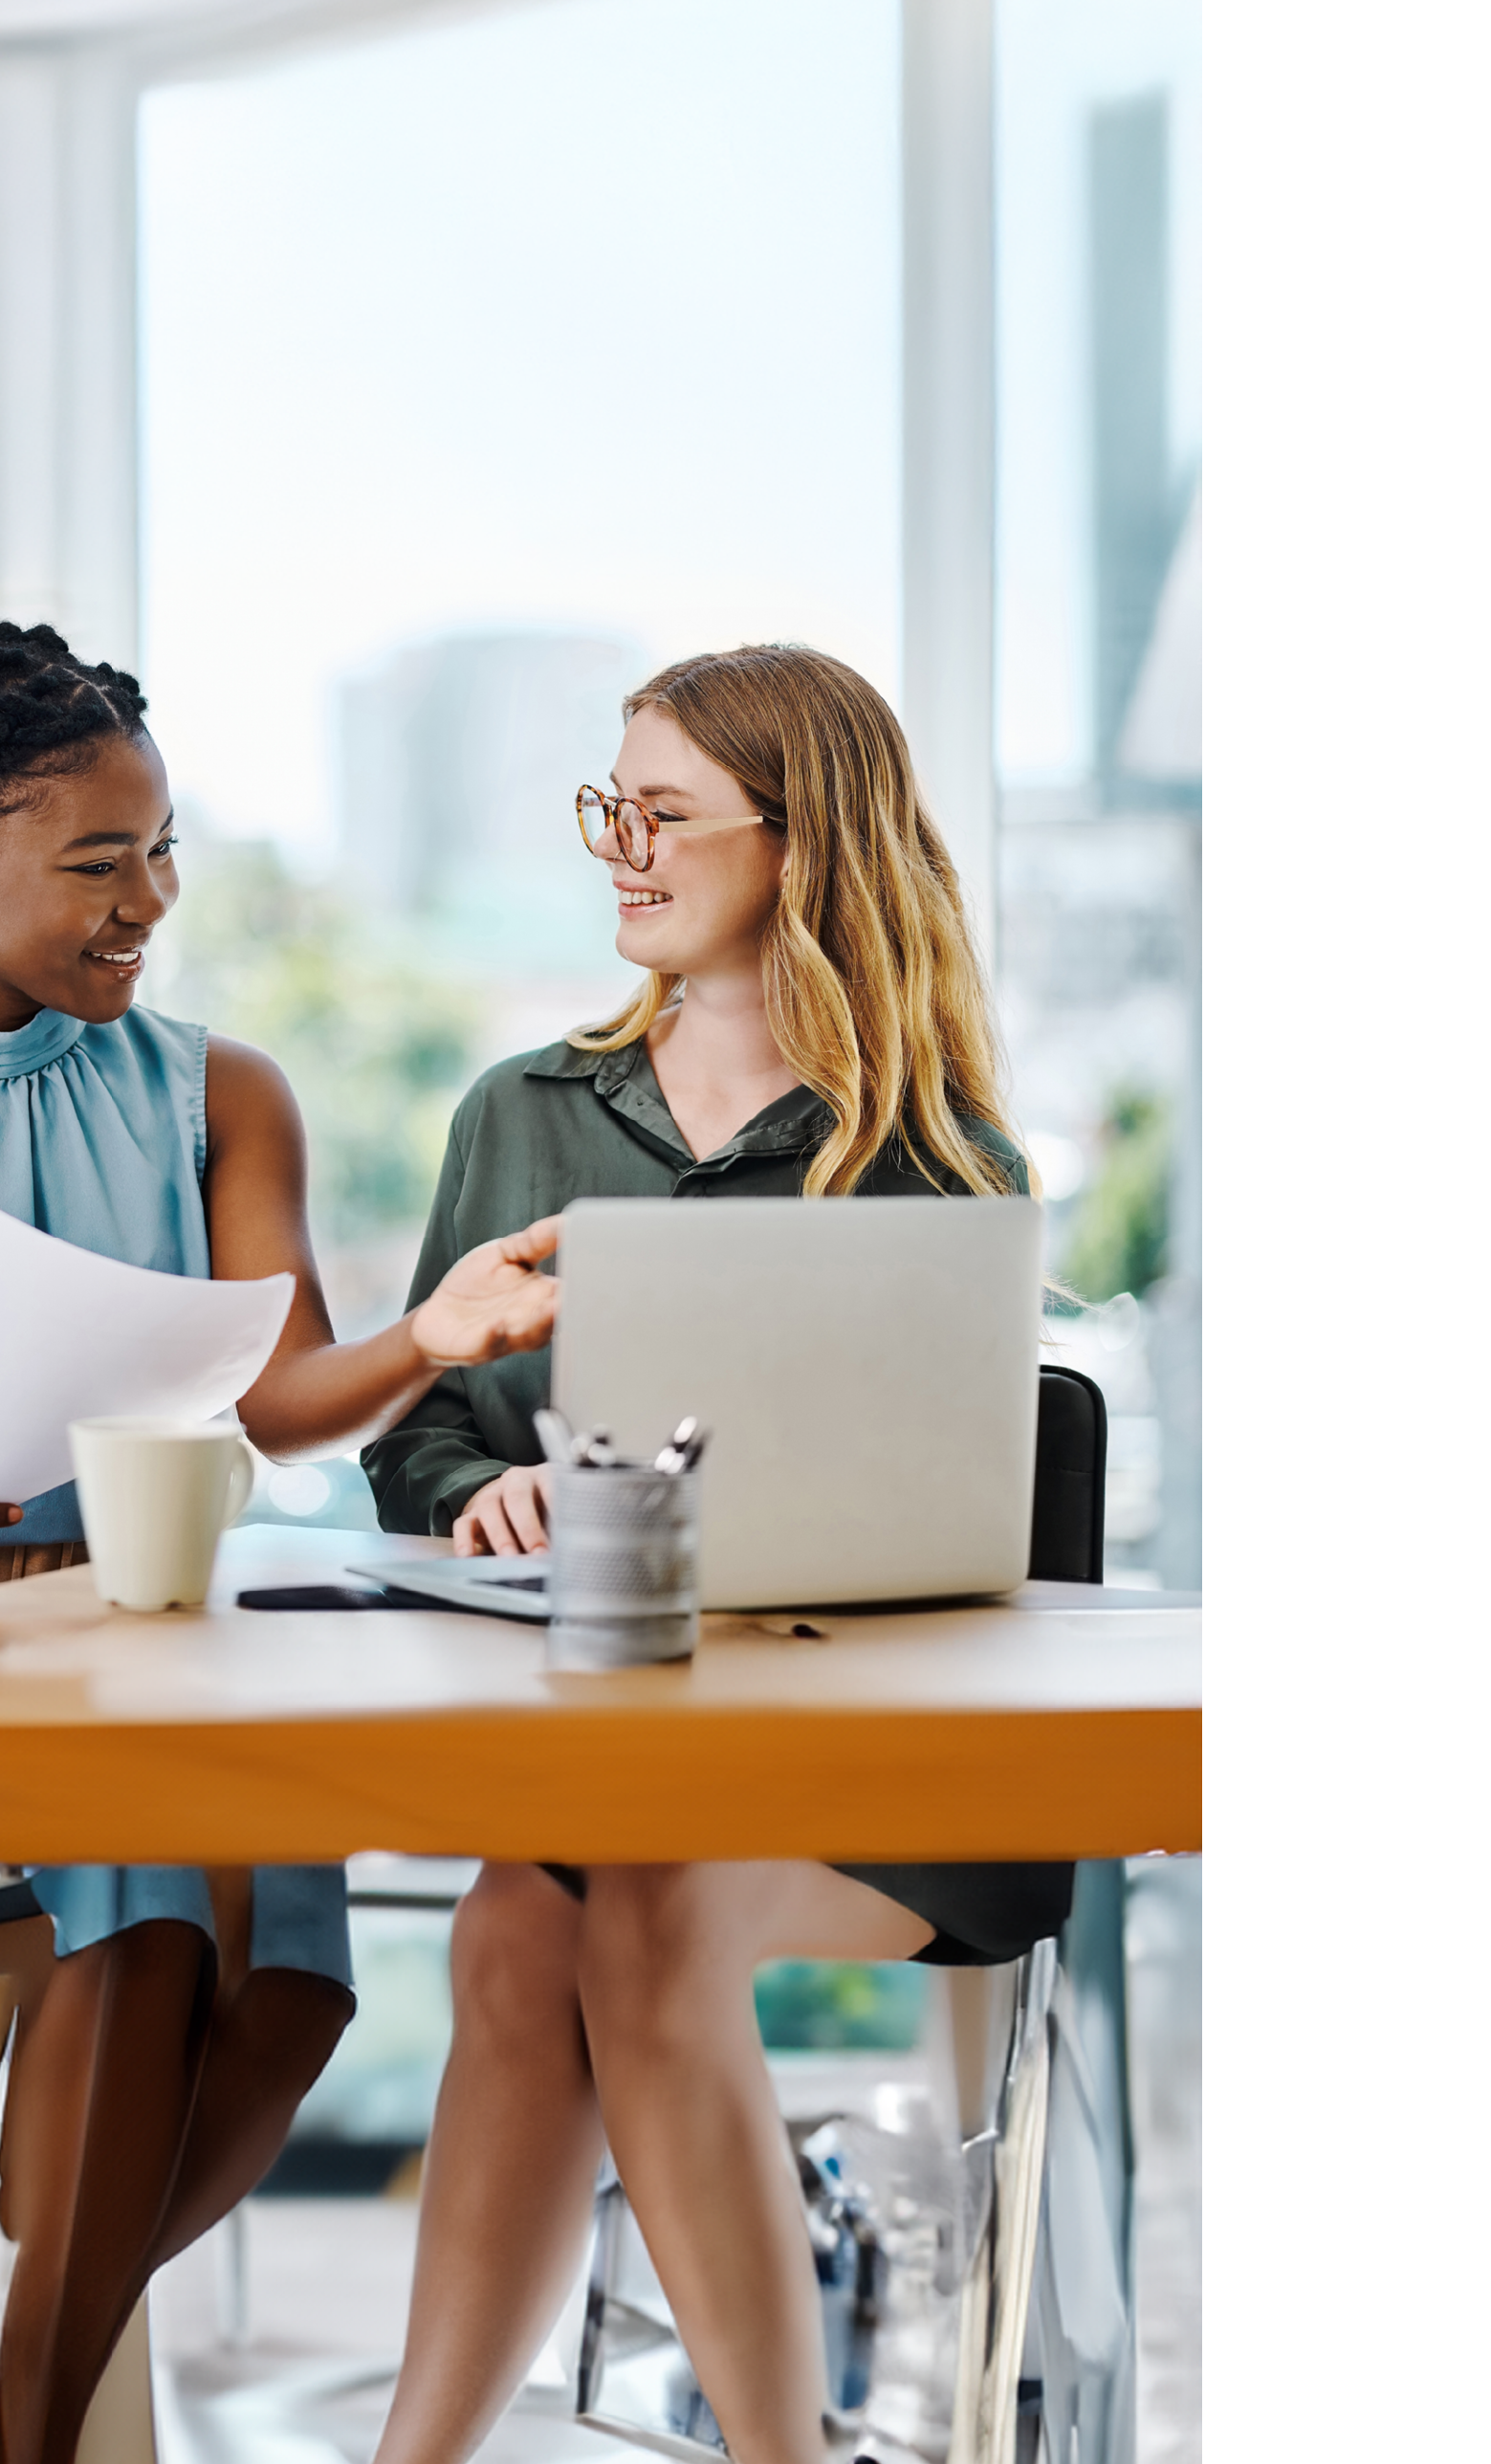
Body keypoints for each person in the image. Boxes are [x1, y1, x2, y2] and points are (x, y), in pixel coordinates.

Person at [0, 623, 559, 2464]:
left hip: (156, 1625)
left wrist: (434, 1336)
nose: (148, 900)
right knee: (154, 1918)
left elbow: (278, 1392)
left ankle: (10, 2422)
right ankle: (42, 2437)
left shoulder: (218, 1095)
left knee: (299, 1982)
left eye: (163, 856)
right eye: (98, 863)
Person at [361, 644, 1064, 2464]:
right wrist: (469, 1493)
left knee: (644, 1912)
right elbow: (415, 1430)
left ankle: (779, 2458)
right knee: (519, 1936)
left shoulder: (933, 1162)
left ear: (799, 842)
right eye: (612, 807)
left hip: (883, 1770)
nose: (622, 849)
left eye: (662, 814)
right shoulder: (519, 1116)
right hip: (613, 1749)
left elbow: (975, 1508)